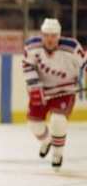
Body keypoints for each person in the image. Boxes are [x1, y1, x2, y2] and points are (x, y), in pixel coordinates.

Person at [23, 18, 86, 169]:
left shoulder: (72, 47)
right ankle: (47, 141)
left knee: (58, 121)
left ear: (59, 36)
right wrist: (34, 86)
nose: (49, 39)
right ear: (41, 34)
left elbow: (85, 63)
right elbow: (27, 65)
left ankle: (58, 152)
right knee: (34, 125)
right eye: (46, 35)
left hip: (65, 91)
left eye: (53, 36)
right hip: (42, 90)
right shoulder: (32, 47)